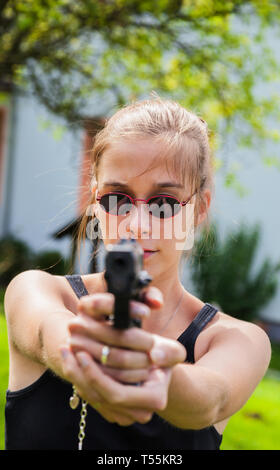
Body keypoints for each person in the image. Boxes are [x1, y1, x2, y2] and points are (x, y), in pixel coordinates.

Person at [4, 98, 271, 451]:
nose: (137, 225)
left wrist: (158, 375)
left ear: (199, 209)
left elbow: (211, 398)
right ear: (95, 202)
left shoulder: (238, 340)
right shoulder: (35, 289)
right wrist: (82, 347)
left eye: (163, 203)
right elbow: (46, 330)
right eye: (118, 199)